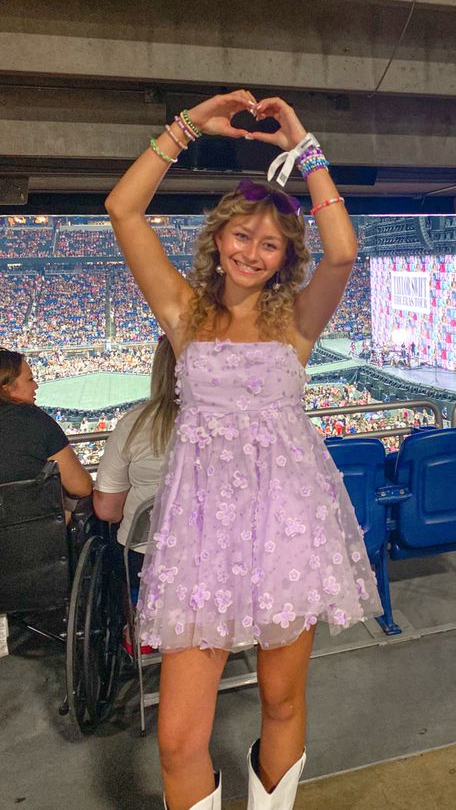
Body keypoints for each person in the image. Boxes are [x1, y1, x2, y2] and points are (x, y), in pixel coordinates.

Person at [105, 90, 382, 810]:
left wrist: (305, 145)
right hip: (200, 534)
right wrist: (188, 128)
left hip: (285, 523)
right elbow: (123, 210)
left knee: (282, 703)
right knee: (176, 739)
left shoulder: (296, 323)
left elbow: (344, 250)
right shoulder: (182, 313)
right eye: (242, 235)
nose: (253, 251)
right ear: (218, 238)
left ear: (285, 256)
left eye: (270, 242)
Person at [93, 336, 178, 592]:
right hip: (221, 557)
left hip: (145, 558)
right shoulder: (237, 423)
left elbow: (108, 510)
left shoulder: (135, 424)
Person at [0, 348, 93, 501]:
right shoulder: (33, 420)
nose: (35, 386)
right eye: (30, 380)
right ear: (7, 388)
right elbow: (81, 487)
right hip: (29, 521)